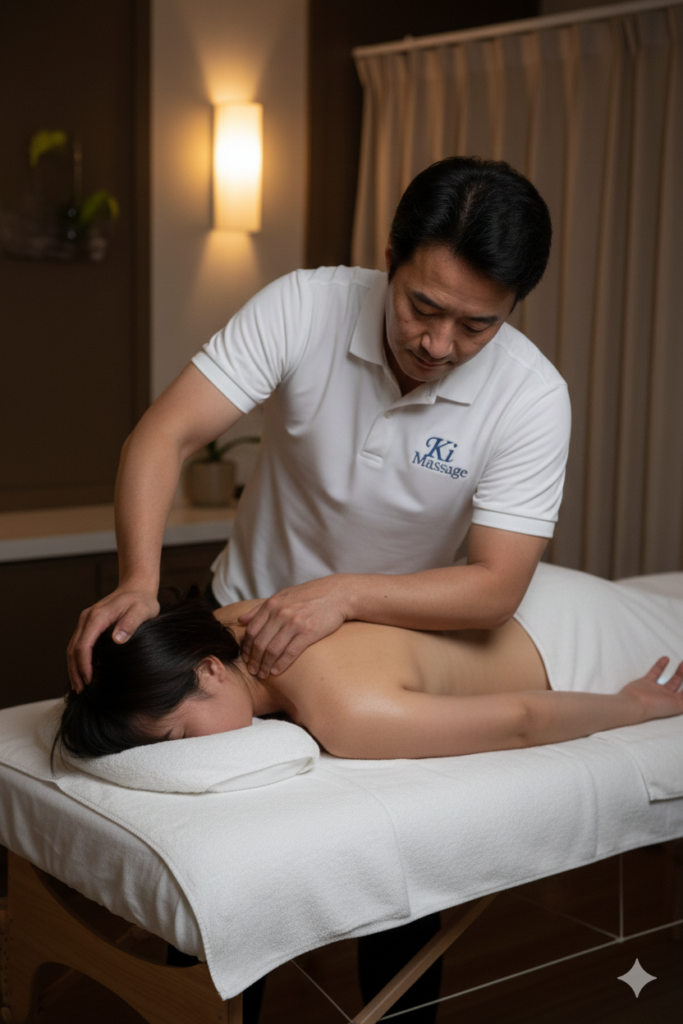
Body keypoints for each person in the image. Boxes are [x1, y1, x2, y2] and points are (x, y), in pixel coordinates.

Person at [67, 155, 571, 1024]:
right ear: (390, 258)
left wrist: (339, 595)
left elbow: (495, 588)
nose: (438, 345)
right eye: (421, 307)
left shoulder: (530, 397)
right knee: (217, 883)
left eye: (475, 325)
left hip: (381, 653)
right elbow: (164, 433)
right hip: (240, 629)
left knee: (401, 886)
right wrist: (139, 580)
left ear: (513, 305)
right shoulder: (305, 304)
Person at [59, 563, 683, 761]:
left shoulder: (347, 714)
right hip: (533, 594)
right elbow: (133, 677)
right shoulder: (230, 624)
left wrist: (634, 705)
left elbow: (523, 720)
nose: (179, 757)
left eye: (176, 739)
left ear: (210, 672)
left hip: (578, 647)